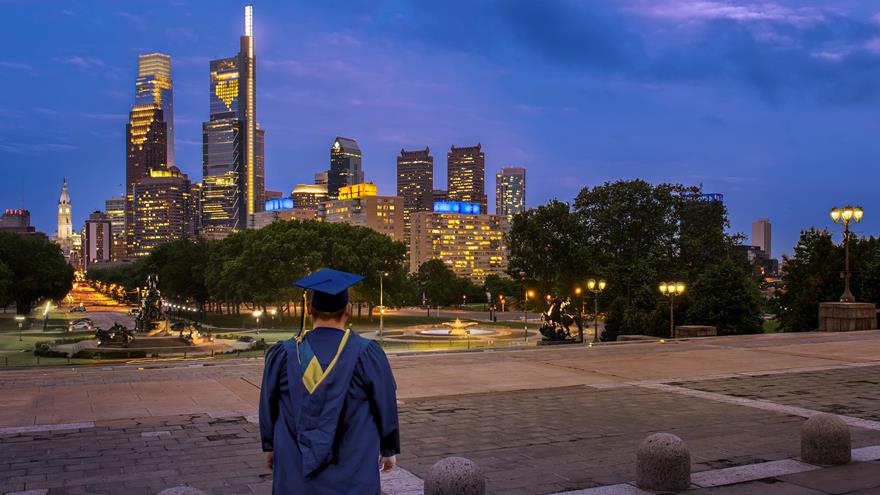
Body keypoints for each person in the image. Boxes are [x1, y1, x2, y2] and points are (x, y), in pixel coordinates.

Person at [259, 268, 400, 494]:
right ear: (348, 309)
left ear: (308, 309)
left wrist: (269, 445)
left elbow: (268, 404)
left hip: (296, 472)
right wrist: (389, 448)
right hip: (352, 474)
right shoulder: (366, 354)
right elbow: (385, 403)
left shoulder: (285, 355)